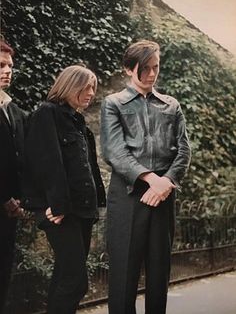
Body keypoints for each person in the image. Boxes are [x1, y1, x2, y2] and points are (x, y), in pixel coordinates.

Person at [100, 40, 191, 314]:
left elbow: (184, 149)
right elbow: (114, 151)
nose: (152, 74)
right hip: (128, 196)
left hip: (163, 196)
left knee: (158, 272)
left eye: (156, 68)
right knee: (123, 275)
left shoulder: (171, 105)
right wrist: (154, 180)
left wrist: (168, 182)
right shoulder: (113, 103)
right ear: (129, 69)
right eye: (145, 69)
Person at [23, 65, 106, 314]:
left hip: (81, 211)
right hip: (60, 211)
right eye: (86, 86)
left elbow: (88, 169)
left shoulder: (79, 123)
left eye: (94, 87)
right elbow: (46, 160)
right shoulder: (47, 113)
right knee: (75, 281)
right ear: (69, 85)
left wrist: (95, 204)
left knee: (65, 277)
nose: (91, 93)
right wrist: (56, 204)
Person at [0, 39, 25, 313]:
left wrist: (18, 199)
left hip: (8, 213)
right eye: (1, 65)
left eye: (10, 66)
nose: (8, 70)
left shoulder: (11, 109)